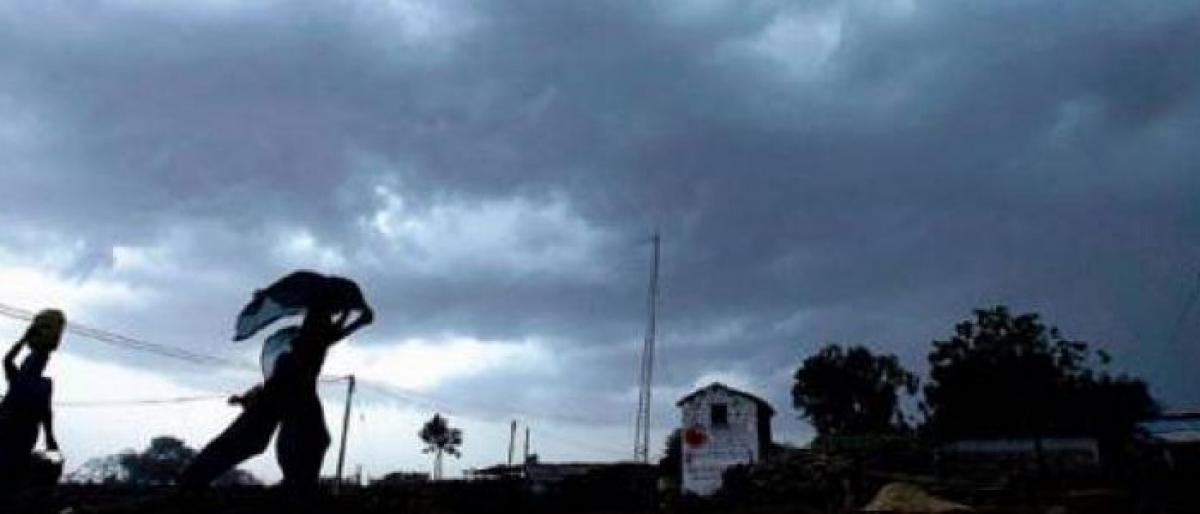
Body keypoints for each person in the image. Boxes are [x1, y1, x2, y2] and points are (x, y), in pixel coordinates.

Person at [180, 273, 372, 492]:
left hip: (295, 387)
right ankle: (193, 480)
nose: (341, 310)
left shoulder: (319, 319)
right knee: (266, 437)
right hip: (292, 386)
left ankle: (297, 486)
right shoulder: (318, 319)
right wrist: (356, 318)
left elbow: (328, 336)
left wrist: (355, 318)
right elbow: (326, 337)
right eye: (341, 305)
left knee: (304, 438)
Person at [0, 310, 63, 492]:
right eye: (28, 361)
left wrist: (50, 436)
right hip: (8, 426)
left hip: (24, 430)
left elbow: (46, 411)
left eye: (34, 361)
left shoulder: (42, 383)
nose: (29, 363)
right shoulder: (18, 377)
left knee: (14, 470)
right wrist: (24, 338)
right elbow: (7, 359)